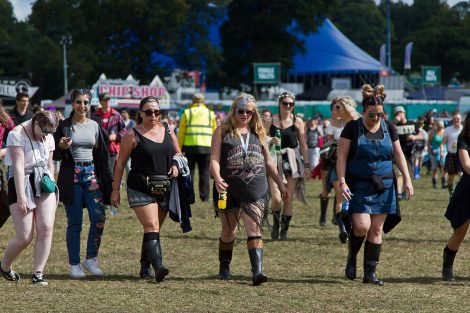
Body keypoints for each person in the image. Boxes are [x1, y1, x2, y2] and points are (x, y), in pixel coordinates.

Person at [336, 84, 413, 286]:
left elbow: (399, 155)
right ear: (363, 111)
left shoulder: (389, 127)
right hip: (358, 184)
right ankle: (352, 255)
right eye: (372, 115)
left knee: (376, 229)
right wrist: (342, 182)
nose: (376, 118)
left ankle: (370, 273)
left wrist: (408, 180)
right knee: (362, 226)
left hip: (384, 185)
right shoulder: (352, 127)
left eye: (380, 114)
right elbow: (341, 157)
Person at [210, 93, 287, 285]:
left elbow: (269, 161)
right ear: (234, 110)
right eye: (241, 111)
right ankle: (224, 268)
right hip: (228, 188)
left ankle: (257, 272)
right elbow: (214, 159)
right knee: (229, 231)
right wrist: (217, 177)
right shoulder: (223, 130)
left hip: (255, 187)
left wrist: (279, 182)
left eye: (249, 112)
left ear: (254, 114)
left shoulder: (258, 132)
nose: (245, 115)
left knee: (254, 228)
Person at [111, 96, 181, 282]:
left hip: (165, 187)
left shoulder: (168, 130)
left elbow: (179, 153)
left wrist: (175, 164)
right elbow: (120, 164)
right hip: (140, 187)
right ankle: (158, 267)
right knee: (151, 226)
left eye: (157, 112)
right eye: (149, 112)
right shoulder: (131, 135)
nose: (153, 115)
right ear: (140, 113)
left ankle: (144, 266)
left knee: (153, 230)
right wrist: (115, 190)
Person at [54, 89, 113, 279]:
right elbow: (53, 153)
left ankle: (91, 259)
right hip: (72, 177)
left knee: (99, 217)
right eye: (79, 102)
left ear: (90, 104)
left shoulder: (95, 126)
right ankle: (74, 264)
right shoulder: (64, 126)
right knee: (75, 223)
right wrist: (61, 147)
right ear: (73, 103)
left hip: (91, 175)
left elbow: (102, 157)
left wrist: (109, 182)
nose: (83, 106)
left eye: (86, 102)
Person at [0, 111, 59, 285]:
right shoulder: (16, 134)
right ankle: (4, 266)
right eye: (44, 132)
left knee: (46, 227)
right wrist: (21, 197)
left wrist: (52, 183)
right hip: (21, 181)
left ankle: (38, 274)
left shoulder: (49, 135)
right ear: (35, 123)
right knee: (25, 236)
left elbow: (50, 163)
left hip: (42, 180)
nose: (46, 136)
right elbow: (17, 167)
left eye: (50, 133)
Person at [270, 92, 309, 240]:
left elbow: (303, 145)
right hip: (274, 160)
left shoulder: (297, 121)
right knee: (276, 198)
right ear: (279, 103)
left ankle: (283, 231)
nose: (288, 106)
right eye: (285, 103)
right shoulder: (271, 120)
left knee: (287, 198)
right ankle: (275, 224)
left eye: (291, 104)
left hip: (292, 161)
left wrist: (306, 165)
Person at [319, 97, 359, 241]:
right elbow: (327, 146)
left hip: (354, 164)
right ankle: (342, 228)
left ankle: (349, 223)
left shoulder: (356, 122)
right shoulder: (332, 125)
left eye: (340, 107)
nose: (338, 110)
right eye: (336, 107)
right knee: (341, 196)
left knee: (352, 197)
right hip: (337, 163)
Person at [441, 113, 470, 281]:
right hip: (467, 191)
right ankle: (447, 267)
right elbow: (466, 166)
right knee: (460, 232)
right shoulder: (464, 140)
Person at [177, 93, 217, 202]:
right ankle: (205, 197)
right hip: (206, 147)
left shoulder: (187, 113)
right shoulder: (211, 114)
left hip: (190, 147)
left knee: (189, 172)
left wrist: (179, 149)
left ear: (192, 102)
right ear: (203, 102)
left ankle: (188, 197)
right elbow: (215, 132)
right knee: (204, 173)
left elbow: (181, 133)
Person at [91, 92, 126, 175]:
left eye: (108, 99)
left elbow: (124, 131)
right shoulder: (94, 116)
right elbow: (90, 131)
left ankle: (110, 188)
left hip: (112, 149)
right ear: (100, 101)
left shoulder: (117, 115)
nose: (107, 101)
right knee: (99, 174)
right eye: (105, 99)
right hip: (98, 149)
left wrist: (116, 136)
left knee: (110, 174)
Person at [393, 106, 424, 198]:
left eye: (401, 113)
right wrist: (395, 122)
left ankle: (404, 192)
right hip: (398, 152)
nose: (399, 115)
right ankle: (398, 193)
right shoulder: (394, 125)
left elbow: (421, 135)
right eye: (397, 113)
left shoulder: (412, 124)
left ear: (404, 113)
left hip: (410, 152)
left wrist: (414, 137)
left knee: (409, 172)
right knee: (398, 172)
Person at [261, 109, 282, 227]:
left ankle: (276, 224)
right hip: (260, 168)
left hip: (273, 167)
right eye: (263, 116)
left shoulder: (276, 131)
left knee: (277, 198)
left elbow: (279, 149)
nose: (266, 118)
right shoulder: (256, 130)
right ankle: (262, 218)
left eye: (268, 116)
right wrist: (270, 140)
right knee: (262, 197)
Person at [441, 111, 463, 196]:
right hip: (451, 155)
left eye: (458, 118)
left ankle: (460, 193)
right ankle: (451, 193)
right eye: (454, 118)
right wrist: (442, 152)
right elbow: (443, 143)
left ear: (461, 120)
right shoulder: (448, 130)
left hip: (461, 155)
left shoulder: (463, 130)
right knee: (450, 177)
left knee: (461, 175)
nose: (456, 120)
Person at [428, 120, 447, 188]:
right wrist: (430, 150)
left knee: (444, 167)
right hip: (434, 152)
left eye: (441, 127)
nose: (440, 128)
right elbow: (429, 142)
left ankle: (443, 183)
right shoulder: (432, 133)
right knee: (434, 168)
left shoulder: (445, 132)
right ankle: (434, 184)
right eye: (439, 127)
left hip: (444, 152)